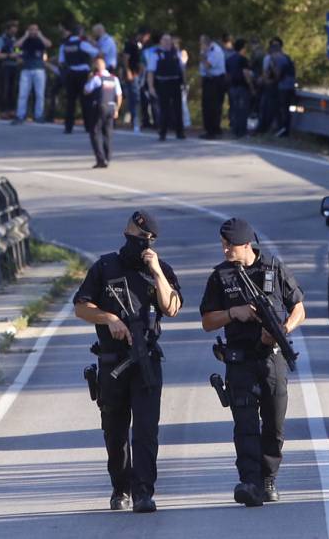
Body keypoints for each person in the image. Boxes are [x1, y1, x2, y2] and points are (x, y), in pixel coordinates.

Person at [74, 211, 183, 514]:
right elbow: (81, 308)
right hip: (112, 362)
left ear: (151, 240)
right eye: (133, 232)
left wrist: (157, 271)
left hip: (147, 361)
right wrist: (108, 318)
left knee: (146, 431)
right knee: (115, 430)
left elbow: (171, 307)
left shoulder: (161, 270)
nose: (135, 238)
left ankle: (144, 492)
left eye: (142, 236)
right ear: (126, 232)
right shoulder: (105, 267)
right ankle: (120, 487)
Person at [199, 218, 306, 507]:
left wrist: (281, 330)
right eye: (222, 244)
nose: (224, 250)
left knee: (274, 423)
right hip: (239, 360)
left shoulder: (273, 268)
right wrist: (234, 313)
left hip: (272, 360)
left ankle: (268, 478)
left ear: (247, 245)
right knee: (245, 425)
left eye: (229, 245)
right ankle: (250, 481)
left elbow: (298, 308)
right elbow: (208, 321)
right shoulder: (220, 277)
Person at [58, 24, 99, 133]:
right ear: (81, 32)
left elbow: (61, 61)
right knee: (86, 100)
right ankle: (88, 126)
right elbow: (96, 53)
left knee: (70, 101)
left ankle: (68, 127)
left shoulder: (64, 45)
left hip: (70, 73)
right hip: (82, 74)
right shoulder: (82, 44)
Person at [83, 57, 122, 168]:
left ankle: (101, 159)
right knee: (108, 133)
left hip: (100, 107)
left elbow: (86, 90)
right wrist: (117, 109)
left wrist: (89, 78)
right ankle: (108, 158)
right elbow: (119, 95)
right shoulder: (114, 78)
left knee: (95, 132)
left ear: (96, 67)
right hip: (111, 107)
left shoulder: (97, 78)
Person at [146, 33, 185, 141]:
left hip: (175, 83)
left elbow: (181, 69)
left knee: (178, 108)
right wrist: (151, 87)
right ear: (161, 42)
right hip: (162, 83)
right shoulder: (156, 54)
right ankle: (162, 132)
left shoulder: (176, 53)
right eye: (165, 40)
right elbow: (151, 72)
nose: (167, 42)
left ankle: (180, 132)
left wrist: (184, 83)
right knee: (164, 109)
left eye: (169, 40)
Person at [13, 23, 52, 124]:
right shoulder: (25, 40)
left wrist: (40, 35)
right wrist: (25, 36)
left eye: (35, 30)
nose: (33, 31)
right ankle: (20, 115)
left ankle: (38, 115)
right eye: (31, 30)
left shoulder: (40, 40)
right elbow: (16, 45)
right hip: (26, 69)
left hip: (39, 69)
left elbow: (49, 44)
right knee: (23, 94)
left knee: (40, 94)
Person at [263, 38, 296, 137]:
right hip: (290, 86)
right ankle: (285, 129)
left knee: (282, 109)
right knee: (285, 109)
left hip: (283, 87)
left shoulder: (277, 59)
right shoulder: (286, 58)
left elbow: (278, 75)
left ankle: (283, 130)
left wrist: (272, 68)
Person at [198, 34, 227, 139]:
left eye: (201, 43)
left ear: (206, 43)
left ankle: (212, 130)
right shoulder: (207, 51)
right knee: (207, 105)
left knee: (212, 106)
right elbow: (202, 69)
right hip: (208, 80)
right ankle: (211, 128)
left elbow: (207, 65)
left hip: (215, 81)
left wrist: (202, 54)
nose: (200, 45)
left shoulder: (215, 51)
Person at [225, 39, 254, 138]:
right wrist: (251, 87)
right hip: (242, 87)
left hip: (232, 87)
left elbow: (227, 75)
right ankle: (242, 131)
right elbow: (246, 74)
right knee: (243, 110)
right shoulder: (243, 59)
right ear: (243, 48)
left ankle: (234, 130)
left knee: (234, 109)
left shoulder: (229, 59)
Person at [121, 27, 149, 133]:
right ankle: (135, 120)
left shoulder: (140, 45)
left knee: (140, 97)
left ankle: (142, 120)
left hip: (139, 74)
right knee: (134, 98)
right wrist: (128, 71)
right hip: (132, 74)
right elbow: (125, 58)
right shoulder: (131, 44)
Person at [0, 21, 21, 119]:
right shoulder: (1, 39)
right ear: (8, 29)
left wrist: (18, 58)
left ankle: (12, 110)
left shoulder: (15, 40)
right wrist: (9, 55)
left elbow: (17, 52)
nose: (14, 31)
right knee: (4, 89)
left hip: (14, 67)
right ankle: (3, 110)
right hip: (5, 66)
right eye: (12, 29)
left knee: (13, 90)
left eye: (16, 29)